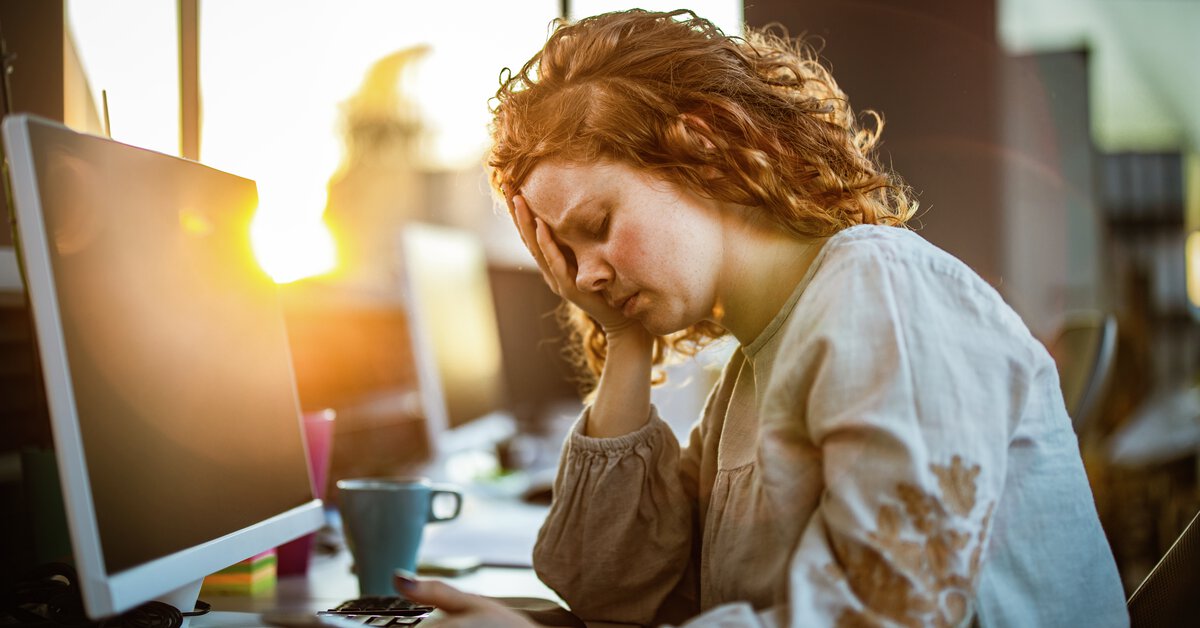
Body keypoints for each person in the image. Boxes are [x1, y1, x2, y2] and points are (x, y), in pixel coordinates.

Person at [397, 8, 1129, 627]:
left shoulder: (880, 294)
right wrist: (622, 338)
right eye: (565, 252)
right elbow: (614, 594)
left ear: (701, 147)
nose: (583, 275)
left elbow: (886, 615)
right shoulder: (748, 372)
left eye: (597, 224)